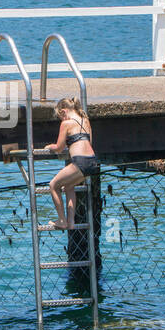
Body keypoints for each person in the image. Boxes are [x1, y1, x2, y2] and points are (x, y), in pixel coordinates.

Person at [42, 96, 99, 230]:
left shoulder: (66, 124)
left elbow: (59, 147)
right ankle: (71, 222)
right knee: (68, 186)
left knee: (53, 185)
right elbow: (88, 142)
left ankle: (62, 220)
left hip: (80, 161)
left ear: (64, 111)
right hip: (92, 161)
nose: (61, 120)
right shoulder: (85, 120)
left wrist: (50, 146)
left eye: (60, 117)